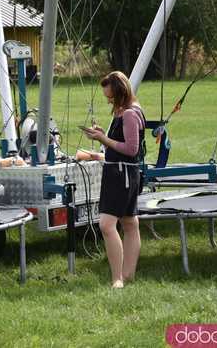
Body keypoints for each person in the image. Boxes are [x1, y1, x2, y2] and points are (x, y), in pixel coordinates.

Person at [83, 71, 145, 288]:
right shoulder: (126, 112)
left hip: (121, 174)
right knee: (129, 223)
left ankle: (117, 278)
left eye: (111, 97)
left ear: (121, 92)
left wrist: (103, 139)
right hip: (124, 173)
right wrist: (103, 134)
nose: (109, 100)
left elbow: (131, 149)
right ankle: (127, 275)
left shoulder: (129, 113)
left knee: (107, 225)